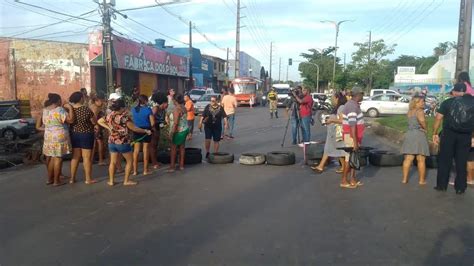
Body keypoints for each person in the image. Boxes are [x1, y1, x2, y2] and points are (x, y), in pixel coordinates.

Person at [98, 99, 152, 186]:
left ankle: (111, 181)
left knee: (113, 162)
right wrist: (145, 131)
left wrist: (109, 128)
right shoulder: (124, 117)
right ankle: (126, 180)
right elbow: (134, 128)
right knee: (129, 161)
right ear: (122, 107)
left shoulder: (109, 115)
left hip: (112, 141)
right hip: (123, 142)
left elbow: (99, 121)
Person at [432, 83, 474, 194]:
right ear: (465, 91)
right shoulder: (472, 103)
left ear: (454, 92)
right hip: (466, 135)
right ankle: (460, 187)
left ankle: (441, 185)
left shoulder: (447, 102)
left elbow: (438, 118)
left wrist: (435, 133)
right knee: (461, 161)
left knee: (445, 160)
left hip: (449, 134)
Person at [41, 93, 74, 186]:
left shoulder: (45, 110)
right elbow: (70, 120)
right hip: (59, 137)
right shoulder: (60, 110)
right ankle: (56, 181)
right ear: (58, 101)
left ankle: (49, 179)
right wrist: (70, 108)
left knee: (51, 157)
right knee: (58, 158)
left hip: (48, 137)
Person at [311, 92, 347, 173]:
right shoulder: (337, 107)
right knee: (338, 150)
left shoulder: (341, 107)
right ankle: (344, 167)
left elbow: (342, 120)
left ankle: (321, 166)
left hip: (336, 134)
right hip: (333, 133)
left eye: (332, 98)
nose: (331, 100)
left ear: (337, 98)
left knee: (331, 149)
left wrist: (331, 120)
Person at [400, 96, 430, 185]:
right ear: (416, 102)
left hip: (409, 134)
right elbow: (422, 122)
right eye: (421, 102)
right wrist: (426, 129)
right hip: (418, 134)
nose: (423, 103)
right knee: (421, 159)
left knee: (408, 158)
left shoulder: (410, 111)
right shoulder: (420, 111)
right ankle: (421, 180)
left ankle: (404, 179)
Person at [69, 91, 97, 184]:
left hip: (74, 134)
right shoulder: (86, 109)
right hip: (86, 134)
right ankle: (88, 179)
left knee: (75, 157)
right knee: (86, 158)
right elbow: (94, 122)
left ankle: (72, 178)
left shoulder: (70, 109)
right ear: (81, 98)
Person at [341, 87, 365, 189]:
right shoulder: (351, 106)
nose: (363, 96)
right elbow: (352, 125)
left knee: (353, 158)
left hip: (355, 136)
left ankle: (353, 179)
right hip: (351, 136)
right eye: (362, 95)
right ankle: (344, 180)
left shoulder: (354, 105)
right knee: (349, 159)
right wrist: (355, 142)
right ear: (357, 95)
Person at [131, 95, 155, 176]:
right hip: (146, 130)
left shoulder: (134, 109)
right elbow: (152, 123)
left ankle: (135, 171)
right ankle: (145, 170)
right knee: (145, 150)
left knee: (136, 150)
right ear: (145, 101)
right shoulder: (148, 110)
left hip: (136, 130)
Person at [168, 94, 189, 172]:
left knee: (173, 149)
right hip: (184, 129)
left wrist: (172, 133)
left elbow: (176, 122)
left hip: (178, 131)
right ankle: (181, 165)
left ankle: (172, 167)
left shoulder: (176, 109)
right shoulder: (183, 108)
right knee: (182, 148)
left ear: (175, 101)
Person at [149, 91, 169, 169]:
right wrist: (153, 128)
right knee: (153, 146)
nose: (167, 105)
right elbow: (151, 117)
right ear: (163, 103)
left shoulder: (162, 110)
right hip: (154, 129)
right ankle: (154, 163)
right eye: (167, 103)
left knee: (156, 145)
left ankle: (155, 161)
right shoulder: (156, 108)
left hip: (158, 128)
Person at [90, 94, 107, 166]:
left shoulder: (93, 106)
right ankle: (100, 160)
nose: (102, 102)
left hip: (94, 127)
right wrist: (96, 125)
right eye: (101, 101)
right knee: (99, 143)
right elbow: (93, 118)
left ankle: (91, 160)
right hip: (97, 127)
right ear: (96, 101)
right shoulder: (95, 108)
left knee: (94, 144)